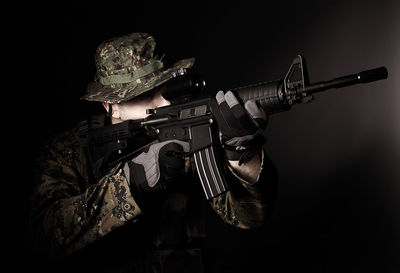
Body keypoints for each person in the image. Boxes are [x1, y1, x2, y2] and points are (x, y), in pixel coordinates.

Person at [29, 32, 278, 273]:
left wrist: (242, 155)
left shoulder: (186, 134)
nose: (165, 102)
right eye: (146, 94)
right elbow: (46, 239)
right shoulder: (69, 151)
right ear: (110, 106)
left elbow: (248, 216)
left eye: (167, 87)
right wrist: (130, 181)